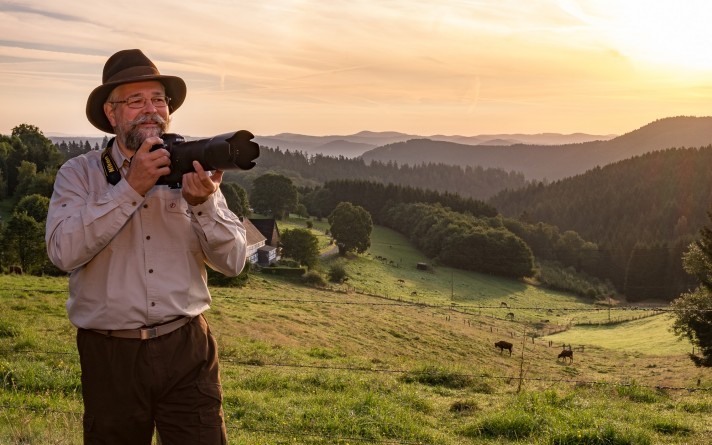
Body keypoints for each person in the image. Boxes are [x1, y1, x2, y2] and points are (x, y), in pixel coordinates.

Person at [45, 49, 246, 444]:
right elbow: (62, 252)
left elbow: (235, 262)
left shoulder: (191, 165)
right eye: (135, 101)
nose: (150, 110)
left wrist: (204, 204)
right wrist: (130, 188)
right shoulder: (80, 174)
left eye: (158, 100)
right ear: (111, 113)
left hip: (187, 347)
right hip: (110, 354)